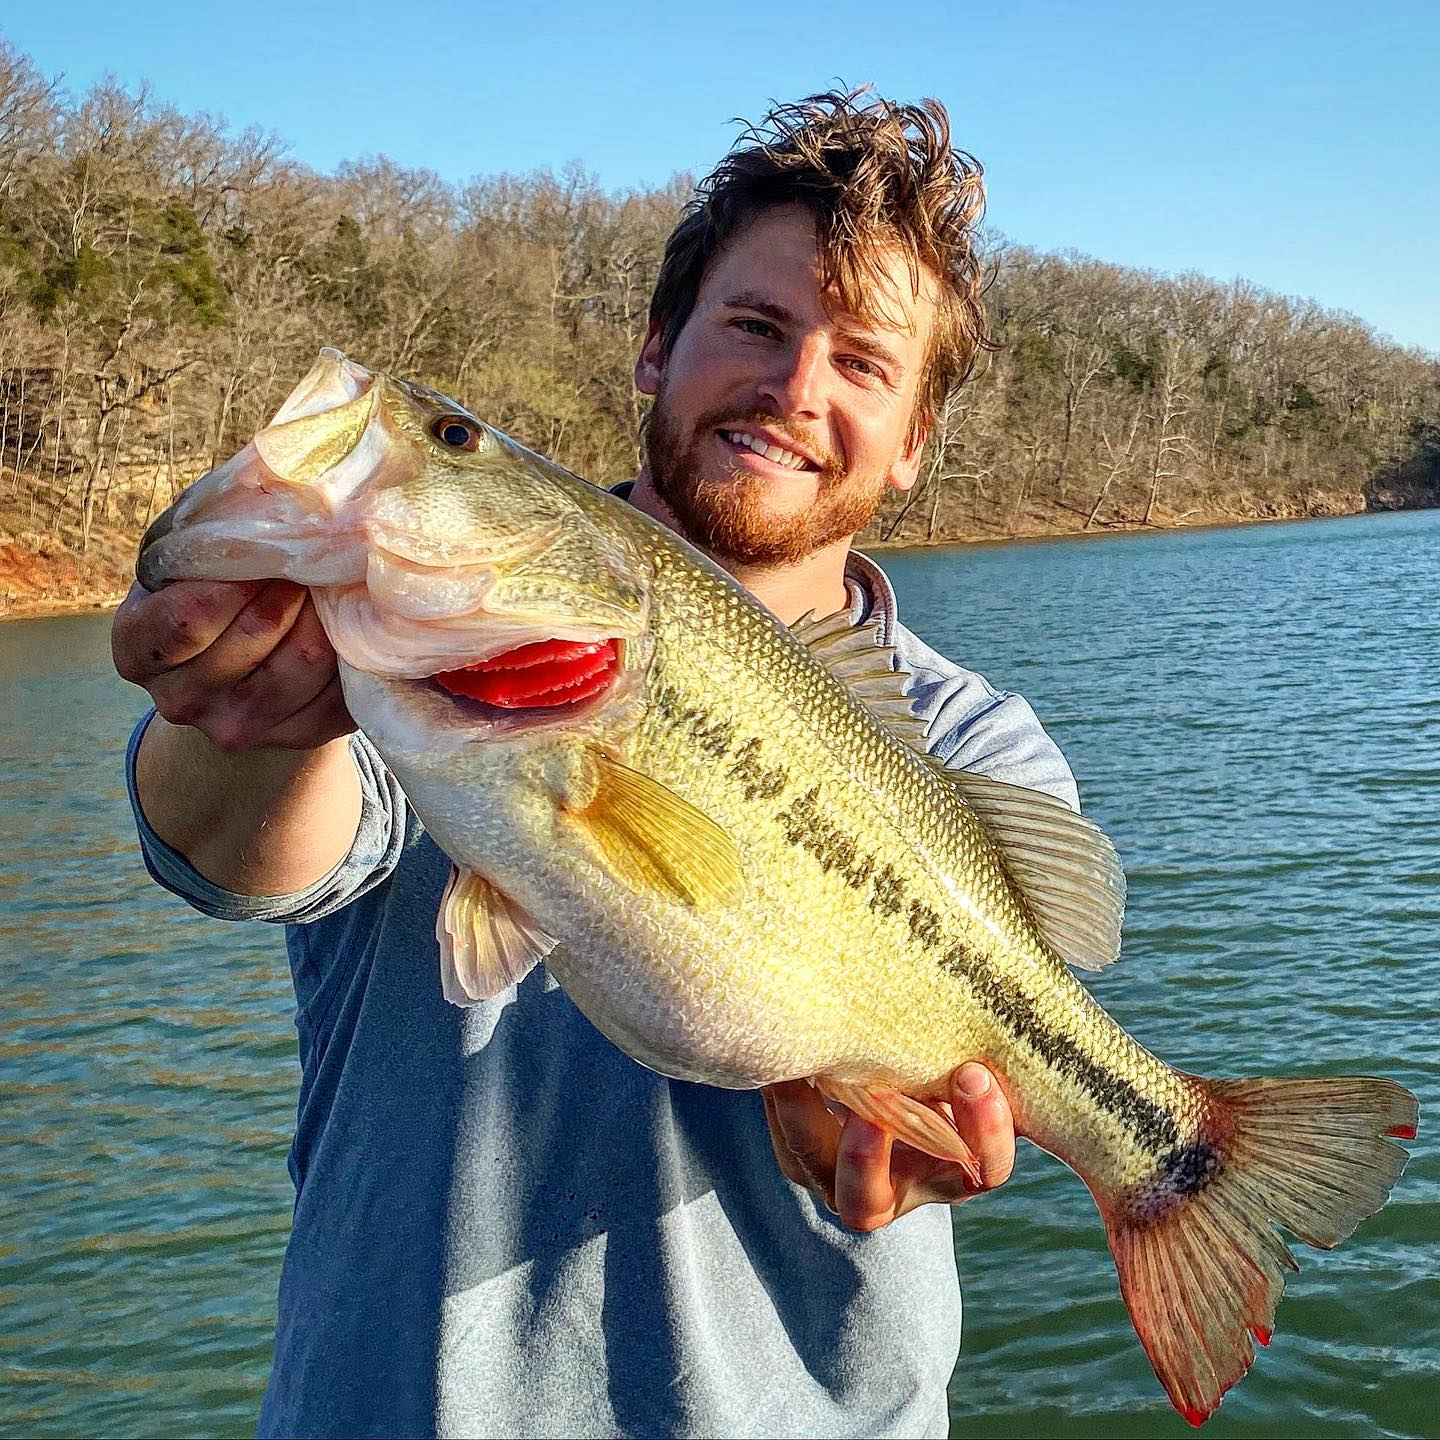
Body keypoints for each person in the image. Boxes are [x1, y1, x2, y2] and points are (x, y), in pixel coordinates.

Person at [113, 92, 1079, 1439]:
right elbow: (235, 852)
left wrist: (856, 1133)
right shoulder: (429, 648)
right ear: (654, 347)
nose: (795, 388)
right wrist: (243, 710)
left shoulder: (971, 745)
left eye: (864, 363)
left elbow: (922, 1075)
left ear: (914, 443)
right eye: (755, 324)